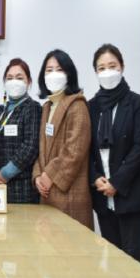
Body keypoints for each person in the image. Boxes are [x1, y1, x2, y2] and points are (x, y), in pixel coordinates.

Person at [88, 44, 140, 262]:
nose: (107, 72)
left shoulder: (137, 103)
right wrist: (95, 178)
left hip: (131, 194)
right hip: (102, 195)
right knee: (111, 258)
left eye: (112, 66)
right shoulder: (91, 106)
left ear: (122, 67)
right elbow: (86, 149)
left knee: (131, 259)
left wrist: (116, 182)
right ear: (96, 72)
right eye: (101, 68)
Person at [32, 49, 93, 229]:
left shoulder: (77, 105)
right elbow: (40, 148)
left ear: (69, 74)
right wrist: (37, 176)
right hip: (46, 190)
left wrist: (49, 175)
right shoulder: (47, 107)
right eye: (49, 70)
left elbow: (74, 151)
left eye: (59, 69)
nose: (53, 74)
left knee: (69, 242)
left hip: (69, 192)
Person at [0, 58, 41, 203]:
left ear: (29, 82)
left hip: (22, 187)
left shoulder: (32, 108)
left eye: (19, 78)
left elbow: (30, 147)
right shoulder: (1, 110)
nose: (14, 81)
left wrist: (5, 174)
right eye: (9, 78)